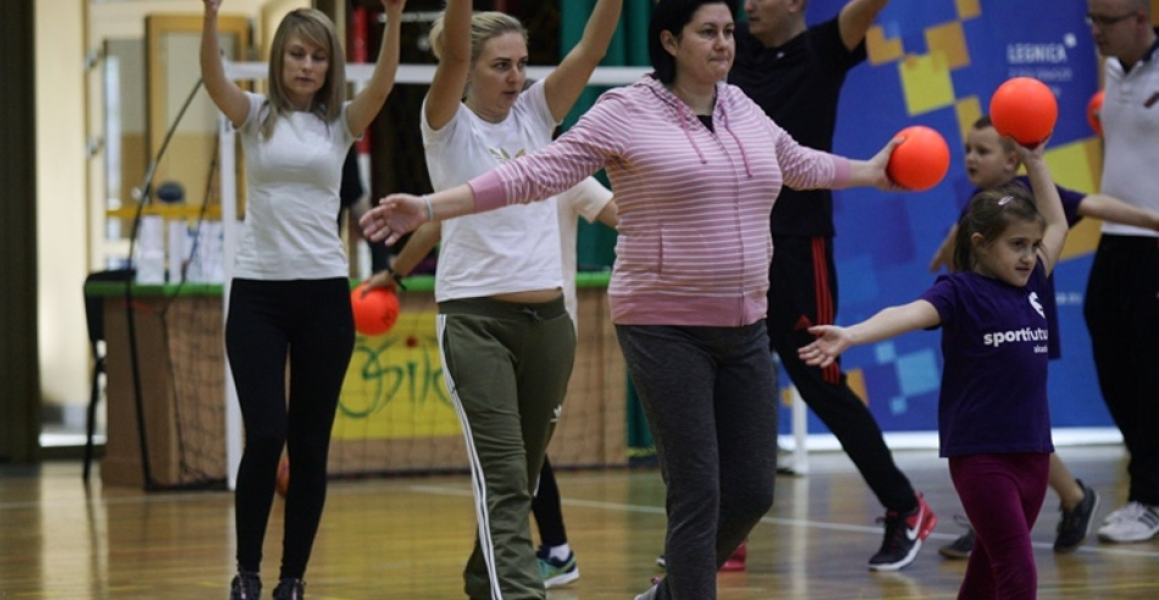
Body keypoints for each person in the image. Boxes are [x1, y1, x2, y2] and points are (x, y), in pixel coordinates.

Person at [361, 2, 901, 597]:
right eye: (709, 32)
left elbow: (792, 162)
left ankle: (653, 589)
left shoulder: (737, 105)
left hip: (710, 321)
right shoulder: (606, 113)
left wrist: (870, 172)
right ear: (670, 40)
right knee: (667, 488)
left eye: (729, 32)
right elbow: (527, 174)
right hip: (620, 321)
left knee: (751, 491)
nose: (725, 43)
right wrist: (430, 207)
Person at [364, 1, 622, 598]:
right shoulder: (448, 124)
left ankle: (485, 580)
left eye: (522, 64)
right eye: (501, 65)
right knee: (505, 480)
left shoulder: (537, 118)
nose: (517, 77)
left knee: (523, 478)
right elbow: (453, 52)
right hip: (477, 322)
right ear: (471, 70)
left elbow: (590, 52)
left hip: (550, 327)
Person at [799, 139, 1065, 600]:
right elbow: (904, 313)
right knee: (1019, 575)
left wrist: (1036, 161)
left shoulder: (1034, 282)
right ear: (980, 245)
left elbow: (1058, 221)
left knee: (985, 574)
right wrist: (851, 334)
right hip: (982, 459)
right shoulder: (958, 293)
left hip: (1035, 455)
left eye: (1033, 246)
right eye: (1017, 245)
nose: (1028, 256)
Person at [200, 1, 405, 599]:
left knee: (310, 447)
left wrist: (391, 22)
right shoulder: (254, 115)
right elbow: (214, 79)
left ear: (330, 65)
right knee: (265, 434)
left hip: (323, 297)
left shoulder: (340, 123)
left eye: (318, 56)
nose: (307, 65)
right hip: (257, 295)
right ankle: (247, 573)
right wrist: (212, 17)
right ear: (279, 59)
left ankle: (292, 579)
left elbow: (386, 82)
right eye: (297, 53)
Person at [727, 0, 938, 571]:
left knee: (819, 380)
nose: (748, 6)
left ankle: (905, 506)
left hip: (800, 247)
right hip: (735, 240)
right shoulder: (733, 47)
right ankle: (727, 529)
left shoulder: (823, 48)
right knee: (731, 379)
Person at [365, 176, 617, 591]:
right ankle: (538, 556)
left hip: (551, 333)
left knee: (524, 455)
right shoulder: (476, 170)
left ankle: (528, 558)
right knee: (508, 456)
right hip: (485, 323)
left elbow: (621, 216)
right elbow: (433, 223)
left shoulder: (568, 174)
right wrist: (394, 273)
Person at [929, 115, 1159, 557]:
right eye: (968, 149)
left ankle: (1027, 508)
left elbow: (1093, 205)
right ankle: (1047, 503)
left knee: (1009, 425)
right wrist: (947, 247)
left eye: (983, 150)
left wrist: (1152, 219)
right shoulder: (983, 202)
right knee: (1007, 423)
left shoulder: (1028, 196)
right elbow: (969, 234)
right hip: (981, 330)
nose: (971, 158)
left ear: (1014, 159)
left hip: (1016, 326)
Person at [1083, 0, 1159, 544]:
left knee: (1151, 377)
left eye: (1105, 22)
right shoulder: (1111, 68)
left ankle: (1148, 499)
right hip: (1115, 242)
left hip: (1155, 245)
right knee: (1115, 370)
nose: (1095, 32)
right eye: (1091, 21)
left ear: (1141, 18)